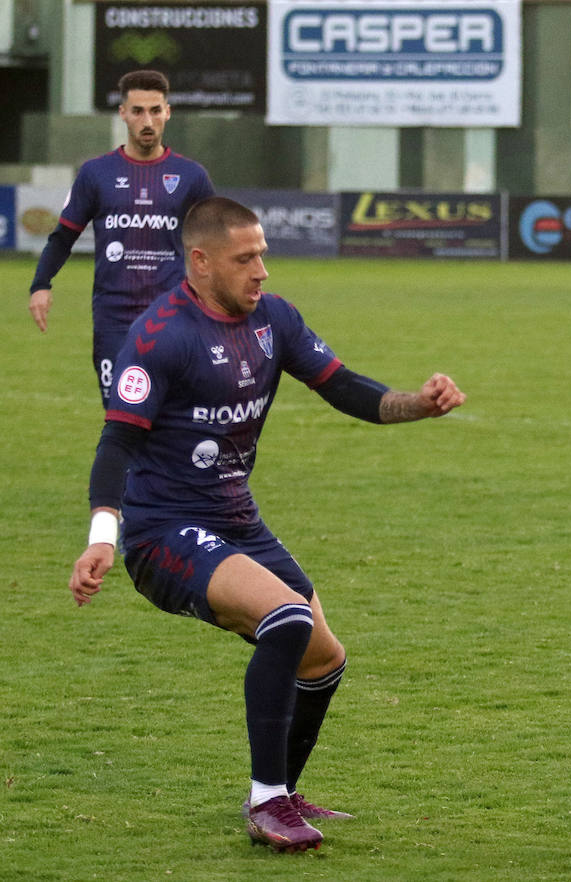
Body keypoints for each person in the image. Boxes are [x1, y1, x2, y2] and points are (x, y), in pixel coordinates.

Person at [67, 197, 466, 853]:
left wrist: (418, 405)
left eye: (264, 256)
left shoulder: (273, 320)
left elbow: (346, 389)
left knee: (324, 658)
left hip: (235, 519)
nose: (262, 272)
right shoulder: (160, 335)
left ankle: (283, 791)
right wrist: (101, 540)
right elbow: (116, 445)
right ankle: (266, 802)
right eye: (245, 258)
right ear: (199, 262)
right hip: (162, 531)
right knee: (287, 619)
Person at [28, 69, 214, 406]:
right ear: (123, 113)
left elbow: (216, 244)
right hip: (114, 319)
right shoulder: (96, 173)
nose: (148, 120)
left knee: (172, 419)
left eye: (156, 110)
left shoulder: (192, 177)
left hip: (173, 315)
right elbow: (63, 237)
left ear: (167, 113)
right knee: (122, 417)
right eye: (138, 111)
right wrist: (41, 284)